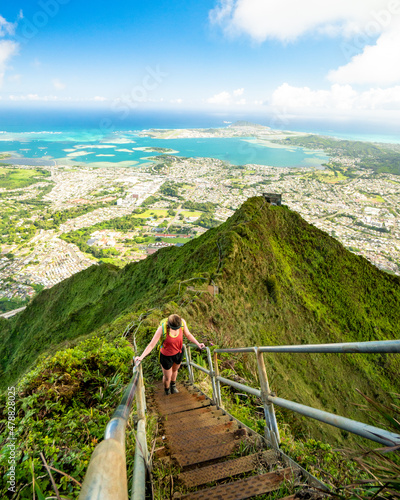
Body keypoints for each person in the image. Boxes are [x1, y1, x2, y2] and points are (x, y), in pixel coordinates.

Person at [134, 314, 205, 395]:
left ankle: (173, 386)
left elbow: (188, 335)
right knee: (167, 377)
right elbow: (151, 345)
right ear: (169, 324)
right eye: (174, 328)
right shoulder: (162, 329)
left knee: (175, 370)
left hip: (178, 353)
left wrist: (198, 344)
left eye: (178, 328)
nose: (177, 330)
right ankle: (167, 390)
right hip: (166, 356)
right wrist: (141, 357)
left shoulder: (182, 323)